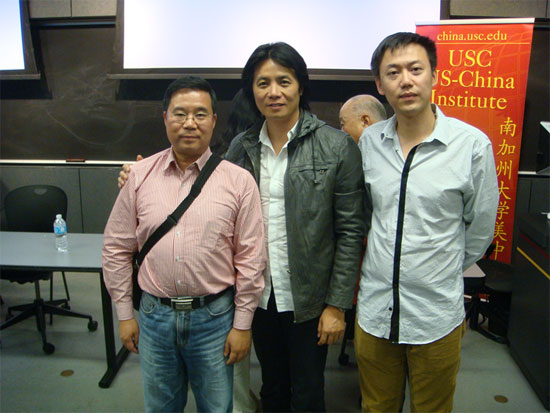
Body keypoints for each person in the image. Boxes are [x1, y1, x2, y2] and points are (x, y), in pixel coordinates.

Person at [103, 76, 266, 413]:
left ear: (214, 120)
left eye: (200, 114)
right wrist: (124, 314)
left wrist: (242, 324)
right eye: (180, 114)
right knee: (161, 407)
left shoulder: (239, 182)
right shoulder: (139, 176)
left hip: (215, 318)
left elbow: (251, 259)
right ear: (165, 118)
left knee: (216, 407)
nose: (190, 123)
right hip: (154, 318)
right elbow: (116, 248)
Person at [355, 32, 499, 412]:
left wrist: (439, 268)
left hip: (435, 315)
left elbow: (480, 229)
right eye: (393, 72)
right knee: (376, 407)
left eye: (415, 69)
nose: (406, 81)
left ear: (434, 75)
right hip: (375, 311)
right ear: (380, 84)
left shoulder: (471, 146)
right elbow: (367, 214)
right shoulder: (370, 142)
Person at [225, 42, 365, 412]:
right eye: (263, 83)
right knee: (272, 386)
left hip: (309, 300)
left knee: (307, 393)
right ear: (252, 91)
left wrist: (337, 305)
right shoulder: (240, 148)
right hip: (259, 296)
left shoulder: (336, 147)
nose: (274, 92)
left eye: (283, 81)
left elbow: (350, 232)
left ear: (300, 86)